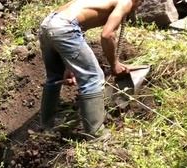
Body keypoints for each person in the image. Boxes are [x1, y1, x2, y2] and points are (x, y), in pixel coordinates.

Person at [38, 0, 140, 138]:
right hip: (65, 27)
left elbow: (77, 24)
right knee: (93, 77)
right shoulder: (126, 2)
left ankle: (46, 127)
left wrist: (69, 66)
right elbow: (107, 35)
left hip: (47, 25)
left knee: (55, 77)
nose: (139, 5)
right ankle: (96, 133)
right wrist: (114, 64)